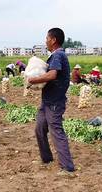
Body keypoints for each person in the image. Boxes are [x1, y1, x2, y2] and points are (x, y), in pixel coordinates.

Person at [27, 27, 75, 175]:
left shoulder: (58, 55)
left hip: (55, 102)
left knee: (56, 131)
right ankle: (46, 159)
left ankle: (67, 167)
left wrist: (33, 80)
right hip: (47, 101)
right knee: (40, 128)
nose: (45, 41)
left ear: (53, 40)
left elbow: (52, 75)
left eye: (47, 38)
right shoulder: (55, 55)